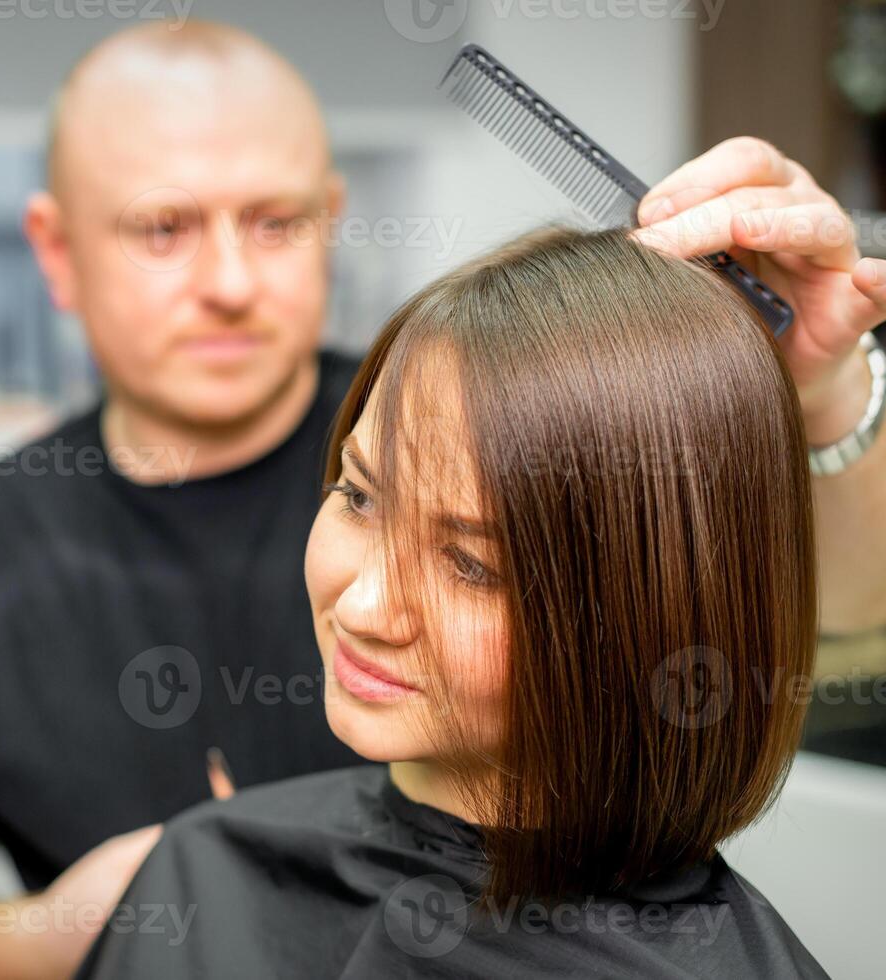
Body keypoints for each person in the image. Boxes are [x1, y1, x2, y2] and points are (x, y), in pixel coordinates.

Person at [0, 20, 886, 980]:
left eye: (275, 220)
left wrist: (832, 382)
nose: (232, 280)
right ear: (56, 251)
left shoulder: (486, 414)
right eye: (164, 227)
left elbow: (867, 580)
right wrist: (73, 926)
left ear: (332, 216)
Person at [77, 225, 828, 979]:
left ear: (656, 609)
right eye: (359, 496)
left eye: (471, 565)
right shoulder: (205, 870)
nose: (366, 608)